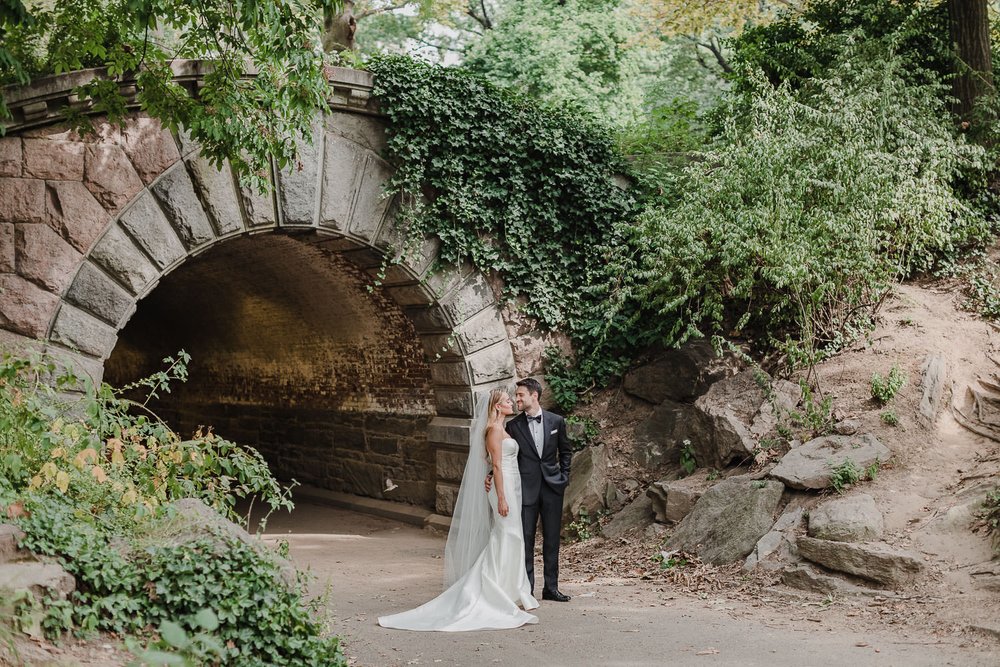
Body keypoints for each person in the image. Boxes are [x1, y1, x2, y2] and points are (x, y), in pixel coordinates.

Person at [377, 389, 538, 631]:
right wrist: (502, 497)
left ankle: (510, 587)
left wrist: (501, 484)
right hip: (503, 490)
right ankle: (493, 588)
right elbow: (495, 463)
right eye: (507, 400)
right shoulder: (493, 431)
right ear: (496, 406)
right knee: (507, 534)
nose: (512, 402)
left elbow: (497, 464)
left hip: (512, 485)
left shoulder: (504, 428)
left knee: (511, 535)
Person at [495, 378, 573, 602]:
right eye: (516, 396)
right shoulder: (513, 426)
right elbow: (504, 457)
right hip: (525, 490)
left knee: (552, 539)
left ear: (534, 396)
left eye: (520, 395)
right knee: (526, 539)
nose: (517, 399)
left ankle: (551, 588)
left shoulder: (556, 421)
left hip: (552, 488)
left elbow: (565, 452)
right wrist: (492, 476)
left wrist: (564, 478)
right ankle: (526, 590)